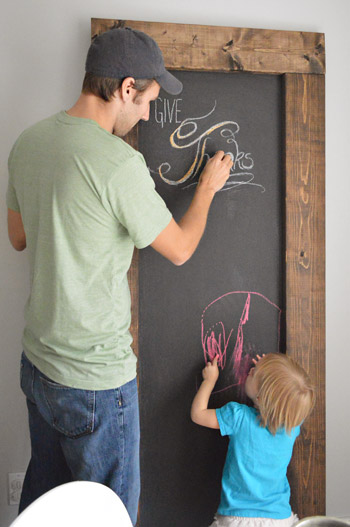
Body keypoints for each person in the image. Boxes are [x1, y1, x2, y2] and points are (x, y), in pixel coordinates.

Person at [7, 27, 233, 524]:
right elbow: (179, 249)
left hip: (39, 364)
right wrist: (208, 189)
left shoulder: (28, 142)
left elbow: (19, 238)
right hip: (95, 381)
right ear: (126, 88)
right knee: (109, 513)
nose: (149, 113)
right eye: (149, 99)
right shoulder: (118, 163)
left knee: (47, 506)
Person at [191, 353, 315, 527]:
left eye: (254, 374)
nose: (250, 370)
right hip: (279, 519)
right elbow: (291, 401)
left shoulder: (238, 417)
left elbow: (198, 415)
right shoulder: (292, 426)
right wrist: (269, 373)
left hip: (238, 518)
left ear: (260, 398)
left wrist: (209, 381)